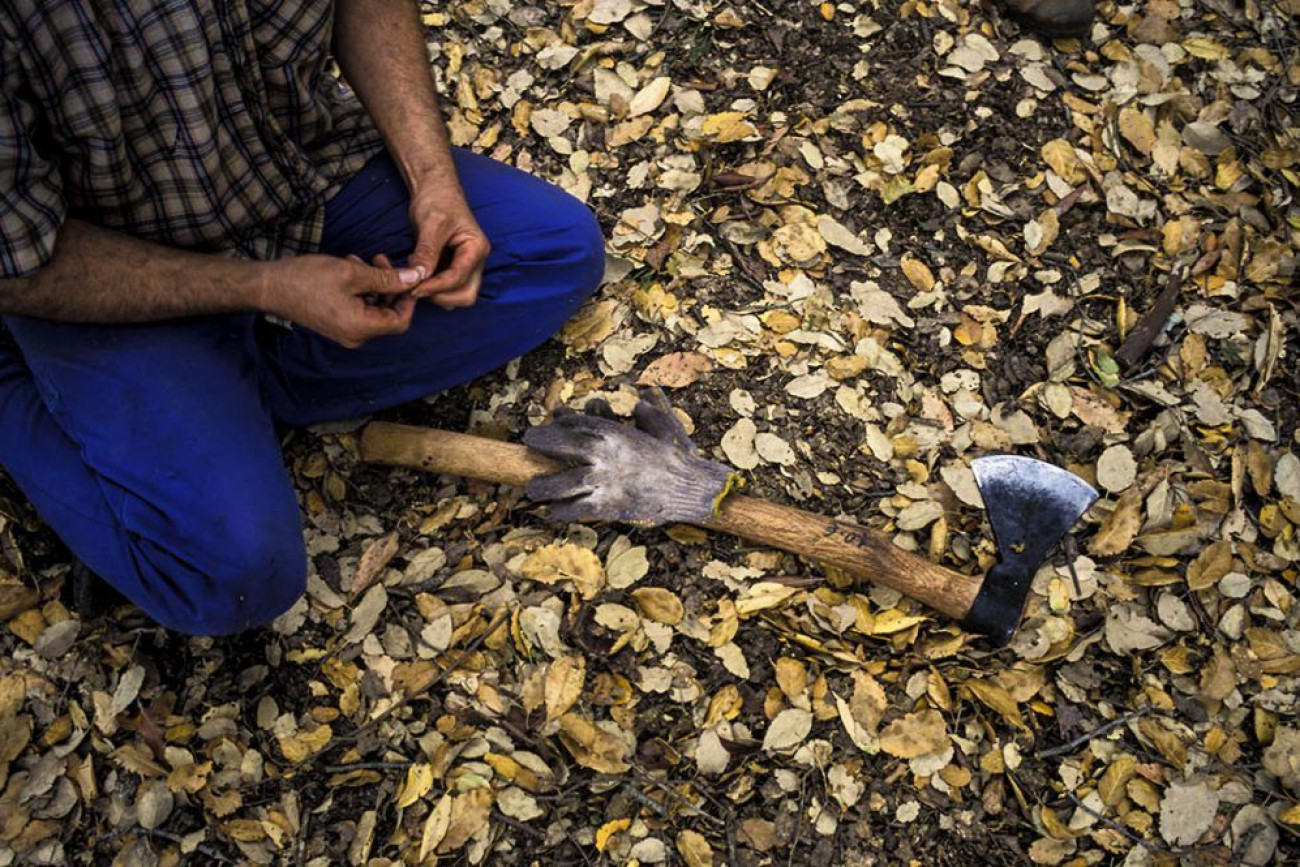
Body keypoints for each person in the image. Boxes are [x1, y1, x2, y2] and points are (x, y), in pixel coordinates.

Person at [0, 1, 605, 635]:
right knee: (229, 579)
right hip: (103, 267)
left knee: (553, 252)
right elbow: (17, 264)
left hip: (295, 176)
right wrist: (265, 287)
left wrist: (431, 179)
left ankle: (242, 389)